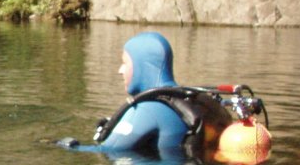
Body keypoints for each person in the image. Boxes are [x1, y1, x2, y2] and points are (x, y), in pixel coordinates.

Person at [57, 31, 236, 157]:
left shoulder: (147, 110)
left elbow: (108, 150)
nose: (120, 70)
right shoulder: (193, 101)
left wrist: (68, 146)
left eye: (125, 63)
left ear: (142, 66)